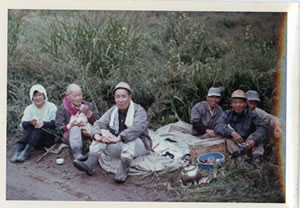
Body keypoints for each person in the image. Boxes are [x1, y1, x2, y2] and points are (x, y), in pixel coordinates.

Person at [73, 82, 152, 183]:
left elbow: (136, 128)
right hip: (119, 144)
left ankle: (124, 169)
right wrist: (97, 136)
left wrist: (118, 138)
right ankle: (90, 164)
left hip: (139, 146)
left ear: (130, 97)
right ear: (115, 98)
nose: (121, 100)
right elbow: (99, 123)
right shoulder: (113, 110)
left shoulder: (139, 110)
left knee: (129, 137)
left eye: (124, 96)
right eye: (118, 97)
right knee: (102, 132)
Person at [214, 89, 267, 168]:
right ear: (231, 104)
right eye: (235, 102)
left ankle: (256, 159)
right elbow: (218, 126)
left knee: (258, 136)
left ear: (245, 103)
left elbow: (262, 128)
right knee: (225, 137)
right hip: (234, 145)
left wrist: (254, 140)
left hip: (248, 144)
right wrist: (232, 133)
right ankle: (238, 158)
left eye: (241, 102)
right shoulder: (226, 114)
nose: (238, 105)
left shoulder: (252, 115)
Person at [10, 84, 57, 163]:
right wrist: (30, 123)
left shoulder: (51, 106)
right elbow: (23, 125)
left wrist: (43, 123)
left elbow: (55, 123)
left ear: (44, 96)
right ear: (32, 97)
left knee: (39, 128)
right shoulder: (29, 108)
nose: (38, 98)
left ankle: (26, 152)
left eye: (40, 95)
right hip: (34, 138)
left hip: (48, 138)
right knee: (31, 127)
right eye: (35, 95)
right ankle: (18, 150)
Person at [55, 84, 100, 161]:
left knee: (99, 130)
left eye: (80, 95)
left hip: (87, 132)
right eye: (75, 96)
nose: (78, 98)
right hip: (72, 135)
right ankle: (77, 153)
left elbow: (99, 121)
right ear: (68, 96)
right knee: (75, 128)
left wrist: (88, 113)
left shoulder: (87, 105)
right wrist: (70, 125)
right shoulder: (62, 109)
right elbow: (59, 128)